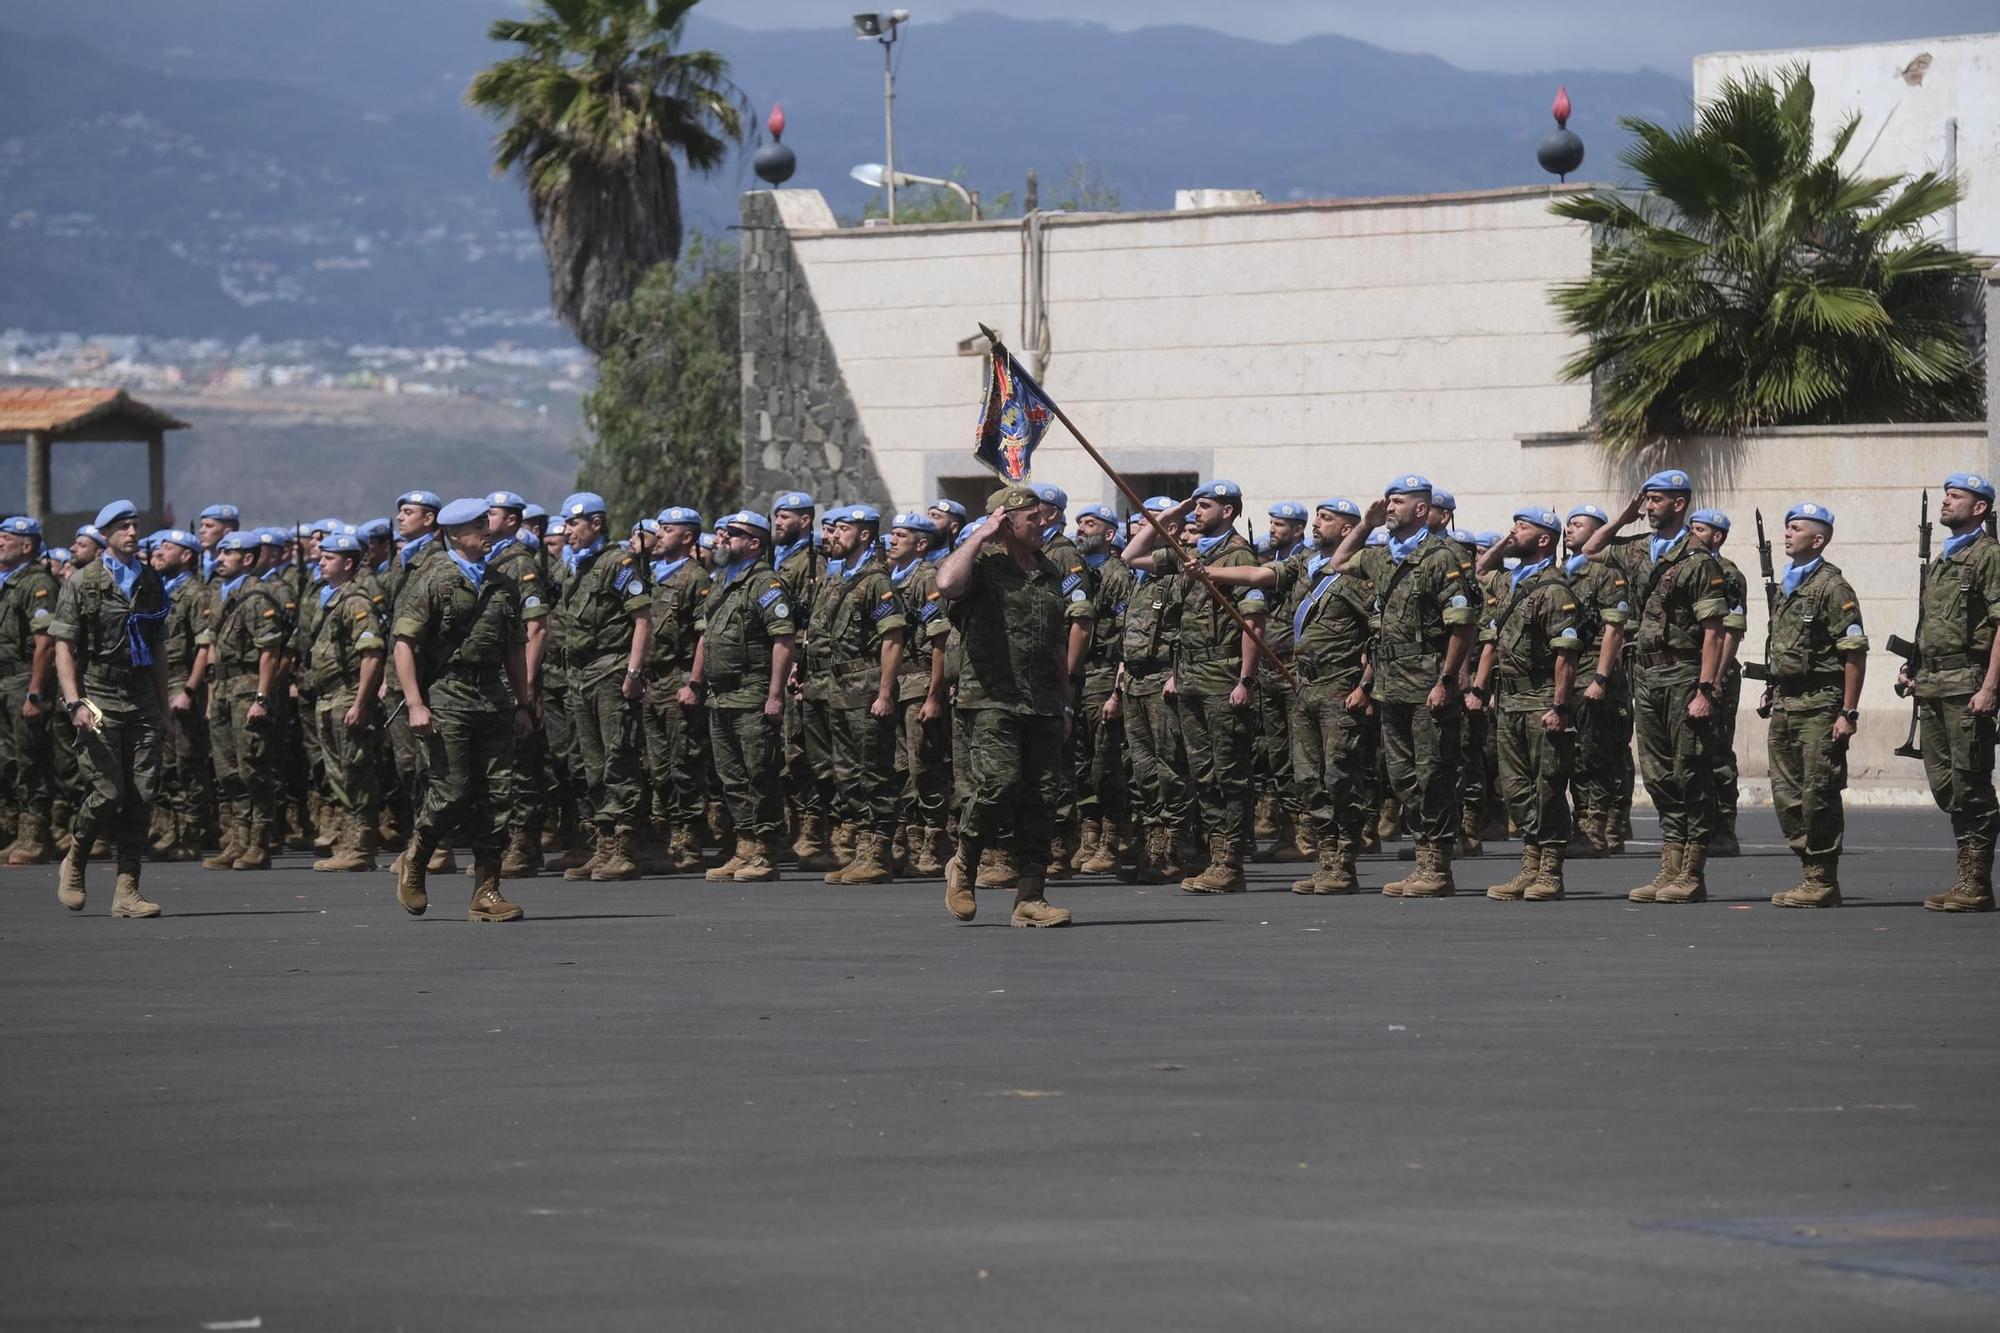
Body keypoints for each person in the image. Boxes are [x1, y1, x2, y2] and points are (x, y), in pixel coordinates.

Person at [1200, 498, 1376, 893]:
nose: (1317, 524)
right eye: (1317, 517)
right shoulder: (1306, 563)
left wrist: (1365, 685)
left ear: (1347, 529)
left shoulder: (1360, 571)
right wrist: (1207, 571)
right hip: (1305, 685)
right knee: (1309, 779)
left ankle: (1344, 864)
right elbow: (1259, 574)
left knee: (1339, 777)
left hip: (1340, 685)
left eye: (1326, 519)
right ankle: (1327, 860)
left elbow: (1379, 633)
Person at [1581, 470, 1730, 904]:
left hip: (1683, 675)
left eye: (1656, 500)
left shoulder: (1698, 559)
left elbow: (1714, 632)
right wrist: (1624, 515)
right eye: (1646, 500)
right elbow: (1591, 548)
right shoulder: (1638, 548)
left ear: (1679, 504)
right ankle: (1670, 865)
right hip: (1646, 676)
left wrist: (1706, 691)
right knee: (1659, 774)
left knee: (1690, 771)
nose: (1648, 507)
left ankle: (1692, 871)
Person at [935, 485, 1076, 926]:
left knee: (1043, 798)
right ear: (1006, 524)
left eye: (1043, 515)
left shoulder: (1049, 571)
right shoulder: (982, 567)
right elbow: (946, 583)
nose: (1043, 522)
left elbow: (1055, 639)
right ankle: (965, 862)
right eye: (1032, 518)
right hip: (992, 698)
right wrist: (981, 534)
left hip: (1044, 701)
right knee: (999, 784)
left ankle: (1031, 897)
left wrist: (1066, 701)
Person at [390, 497, 534, 921]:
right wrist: (415, 703)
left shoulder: (503, 584)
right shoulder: (433, 579)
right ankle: (417, 858)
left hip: (492, 696)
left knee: (497, 796)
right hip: (448, 696)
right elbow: (404, 645)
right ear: (454, 534)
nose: (487, 531)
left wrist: (523, 703)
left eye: (487, 522)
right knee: (451, 792)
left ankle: (487, 891)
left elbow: (515, 649)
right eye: (477, 525)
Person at [1339, 476, 1479, 897]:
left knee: (1433, 774)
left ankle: (1437, 867)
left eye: (1397, 502)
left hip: (1427, 682)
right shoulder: (1382, 555)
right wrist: (1365, 524)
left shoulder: (1442, 556)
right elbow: (1338, 562)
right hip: (1391, 684)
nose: (1389, 507)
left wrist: (1447, 680)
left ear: (1421, 509)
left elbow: (1462, 625)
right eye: (1388, 501)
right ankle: (1423, 861)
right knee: (1402, 777)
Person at [1126, 481, 1261, 893]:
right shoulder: (1191, 553)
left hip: (1223, 675)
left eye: (1203, 506)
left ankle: (1229, 861)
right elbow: (1132, 556)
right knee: (1203, 773)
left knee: (1229, 773)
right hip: (1191, 675)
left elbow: (1253, 622)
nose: (1196, 512)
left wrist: (1246, 679)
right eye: (1195, 507)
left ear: (1228, 511)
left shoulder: (1238, 555)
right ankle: (1216, 857)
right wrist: (1169, 516)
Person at [49, 500, 171, 916]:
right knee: (106, 791)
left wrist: (164, 709)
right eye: (123, 526)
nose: (132, 532)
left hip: (142, 697)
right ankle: (76, 859)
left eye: (135, 525)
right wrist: (74, 702)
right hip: (98, 696)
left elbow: (158, 647)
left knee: (141, 795)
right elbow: (63, 646)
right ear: (105, 534)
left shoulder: (150, 580)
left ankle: (127, 890)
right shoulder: (83, 582)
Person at [1755, 503, 1866, 907]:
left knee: (1819, 792)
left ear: (1817, 540)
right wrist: (1772, 685)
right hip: (1786, 701)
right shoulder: (1786, 585)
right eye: (1787, 527)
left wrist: (1847, 712)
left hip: (1821, 703)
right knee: (1786, 794)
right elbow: (1782, 644)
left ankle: (1821, 878)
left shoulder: (1832, 587)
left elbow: (1854, 652)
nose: (1787, 533)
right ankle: (1810, 870)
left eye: (1796, 528)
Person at [1470, 508, 1581, 901]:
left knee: (1547, 786)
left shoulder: (1554, 590)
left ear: (1544, 539)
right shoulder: (1507, 581)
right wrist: (1479, 688)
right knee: (1514, 788)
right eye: (1513, 526)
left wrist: (1560, 706)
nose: (1513, 531)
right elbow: (1481, 572)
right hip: (1509, 699)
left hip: (1541, 699)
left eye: (1523, 528)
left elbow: (1566, 655)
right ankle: (1530, 864)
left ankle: (1549, 870)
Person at [1902, 473, 2000, 912]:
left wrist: (1990, 687)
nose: (1945, 501)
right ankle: (1967, 877)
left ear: (1979, 508)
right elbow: (1934, 623)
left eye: (1955, 496)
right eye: (1945, 494)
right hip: (1933, 684)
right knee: (1946, 786)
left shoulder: (1988, 555)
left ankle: (1975, 883)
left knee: (1971, 783)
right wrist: (1913, 670)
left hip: (1967, 684)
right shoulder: (1943, 558)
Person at [681, 511, 796, 882]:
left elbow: (783, 640)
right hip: (721, 696)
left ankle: (765, 851)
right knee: (731, 777)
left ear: (754, 543)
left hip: (752, 693)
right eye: (723, 532)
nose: (723, 538)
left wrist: (775, 695)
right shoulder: (722, 581)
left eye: (732, 533)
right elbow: (707, 636)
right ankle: (744, 846)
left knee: (759, 774)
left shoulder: (765, 584)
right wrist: (696, 683)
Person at [551, 493, 652, 882]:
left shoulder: (617, 563)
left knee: (618, 759)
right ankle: (604, 844)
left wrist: (633, 672)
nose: (567, 531)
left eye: (573, 523)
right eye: (565, 523)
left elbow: (642, 619)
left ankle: (625, 848)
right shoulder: (576, 565)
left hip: (610, 671)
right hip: (580, 675)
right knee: (592, 764)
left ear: (596, 524)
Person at [811, 505, 907, 884]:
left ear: (864, 534)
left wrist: (885, 693)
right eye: (833, 528)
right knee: (847, 773)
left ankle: (878, 853)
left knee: (874, 772)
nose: (834, 534)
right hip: (840, 690)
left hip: (866, 689)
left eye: (843, 528)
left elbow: (893, 638)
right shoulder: (840, 578)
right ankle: (861, 849)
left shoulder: (876, 581)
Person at [194, 530, 290, 870]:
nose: (219, 558)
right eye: (219, 552)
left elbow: (270, 653)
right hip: (223, 688)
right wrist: (210, 699)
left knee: (254, 768)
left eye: (227, 553)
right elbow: (213, 649)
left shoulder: (257, 597)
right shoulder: (221, 595)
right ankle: (238, 840)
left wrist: (262, 697)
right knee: (227, 770)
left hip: (248, 688)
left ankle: (259, 843)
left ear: (247, 559)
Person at [1113, 497, 1196, 883]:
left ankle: (1174, 846)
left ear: (1172, 530)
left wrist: (1178, 674)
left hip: (1163, 678)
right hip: (1135, 680)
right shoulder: (1139, 578)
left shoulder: (1180, 567)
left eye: (1149, 523)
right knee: (1143, 769)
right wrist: (1121, 675)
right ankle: (1154, 841)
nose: (1138, 529)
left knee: (1170, 767)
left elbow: (1190, 629)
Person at [304, 531, 388, 872]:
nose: (321, 562)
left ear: (349, 563)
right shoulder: (331, 597)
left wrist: (360, 702)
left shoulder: (355, 601)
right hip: (328, 696)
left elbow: (371, 654)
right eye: (322, 557)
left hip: (347, 694)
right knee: (338, 773)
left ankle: (360, 846)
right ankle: (348, 842)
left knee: (356, 772)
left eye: (329, 558)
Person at [482, 491, 553, 876]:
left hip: (515, 680)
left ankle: (523, 845)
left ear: (511, 520)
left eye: (491, 513)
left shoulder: (520, 562)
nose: (485, 520)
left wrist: (521, 688)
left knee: (521, 765)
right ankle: (509, 842)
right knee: (499, 765)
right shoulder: (490, 560)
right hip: (495, 676)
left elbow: (536, 627)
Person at [641, 506, 711, 873]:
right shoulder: (650, 575)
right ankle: (665, 833)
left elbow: (704, 636)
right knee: (657, 767)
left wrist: (694, 682)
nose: (659, 535)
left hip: (678, 679)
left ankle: (689, 839)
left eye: (667, 530)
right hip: (651, 681)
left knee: (684, 764)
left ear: (686, 537)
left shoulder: (694, 578)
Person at [1562, 504, 1633, 857]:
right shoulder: (1562, 573)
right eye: (1568, 524)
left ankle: (1596, 828)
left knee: (1595, 753)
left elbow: (1613, 630)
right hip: (1570, 670)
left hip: (1594, 669)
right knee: (1574, 753)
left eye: (1578, 524)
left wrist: (1600, 678)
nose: (1569, 530)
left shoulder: (1607, 572)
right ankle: (1587, 825)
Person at [887, 510, 952, 873]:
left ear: (921, 544)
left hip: (919, 680)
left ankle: (934, 839)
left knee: (923, 765)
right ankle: (909, 837)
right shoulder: (890, 578)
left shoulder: (926, 577)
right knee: (900, 767)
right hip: (897, 683)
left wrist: (934, 694)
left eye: (902, 535)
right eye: (892, 534)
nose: (892, 540)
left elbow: (939, 639)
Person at [1070, 502, 1132, 874]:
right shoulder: (1074, 572)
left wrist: (1117, 690)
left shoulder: (1116, 574)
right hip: (1078, 674)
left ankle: (1113, 837)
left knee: (1105, 761)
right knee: (1080, 760)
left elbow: (1127, 634)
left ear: (1109, 534)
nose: (1081, 529)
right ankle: (1089, 834)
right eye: (1079, 523)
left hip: (1104, 672)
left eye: (1089, 524)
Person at [1688, 509, 1752, 857]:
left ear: (1718, 536)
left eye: (1700, 530)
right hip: (1691, 673)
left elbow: (1731, 632)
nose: (1692, 535)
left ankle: (1724, 829)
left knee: (1717, 752)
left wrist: (1714, 678)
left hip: (1717, 676)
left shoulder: (1728, 574)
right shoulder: (1686, 568)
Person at [0, 515, 62, 866]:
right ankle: (16, 832)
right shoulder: (7, 582)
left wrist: (35, 692)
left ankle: (35, 836)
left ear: (27, 546)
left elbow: (46, 643)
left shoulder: (36, 582)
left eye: (6, 538)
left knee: (30, 759)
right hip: (4, 682)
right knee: (8, 760)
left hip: (24, 680)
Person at [152, 529, 209, 861]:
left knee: (187, 762)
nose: (159, 552)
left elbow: (204, 647)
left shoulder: (195, 593)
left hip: (181, 681)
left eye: (167, 547)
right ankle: (168, 829)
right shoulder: (157, 589)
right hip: (159, 682)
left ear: (186, 555)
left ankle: (191, 833)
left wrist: (189, 689)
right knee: (163, 763)